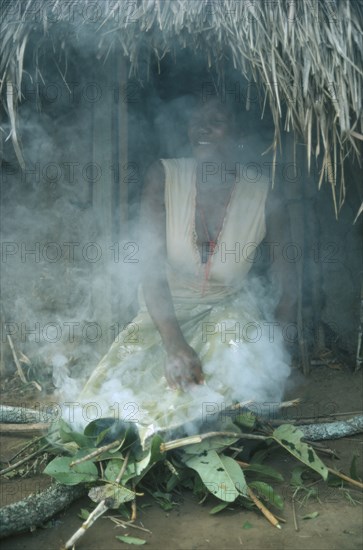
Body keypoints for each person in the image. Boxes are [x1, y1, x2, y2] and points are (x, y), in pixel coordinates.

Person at [79, 96, 296, 444]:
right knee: (105, 403)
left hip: (230, 311)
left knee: (230, 389)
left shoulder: (265, 195)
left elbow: (287, 280)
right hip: (167, 313)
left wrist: (278, 355)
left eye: (216, 121)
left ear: (238, 133)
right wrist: (175, 346)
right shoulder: (163, 177)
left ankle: (194, 439)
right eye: (195, 122)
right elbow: (149, 267)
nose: (202, 129)